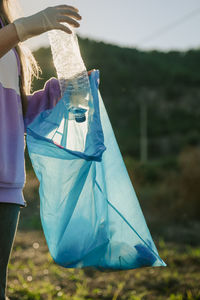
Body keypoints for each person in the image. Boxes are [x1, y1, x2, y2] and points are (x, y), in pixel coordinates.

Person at [0, 1, 82, 299]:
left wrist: (57, 94)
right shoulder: (10, 34)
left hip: (7, 186)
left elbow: (13, 111)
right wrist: (22, 29)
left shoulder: (7, 36)